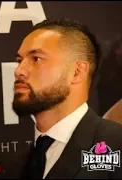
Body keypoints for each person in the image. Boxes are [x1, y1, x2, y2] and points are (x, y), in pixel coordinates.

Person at [12, 17, 122, 179]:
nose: (19, 70)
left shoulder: (117, 145)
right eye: (20, 60)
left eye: (36, 59)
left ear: (77, 72)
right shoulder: (17, 164)